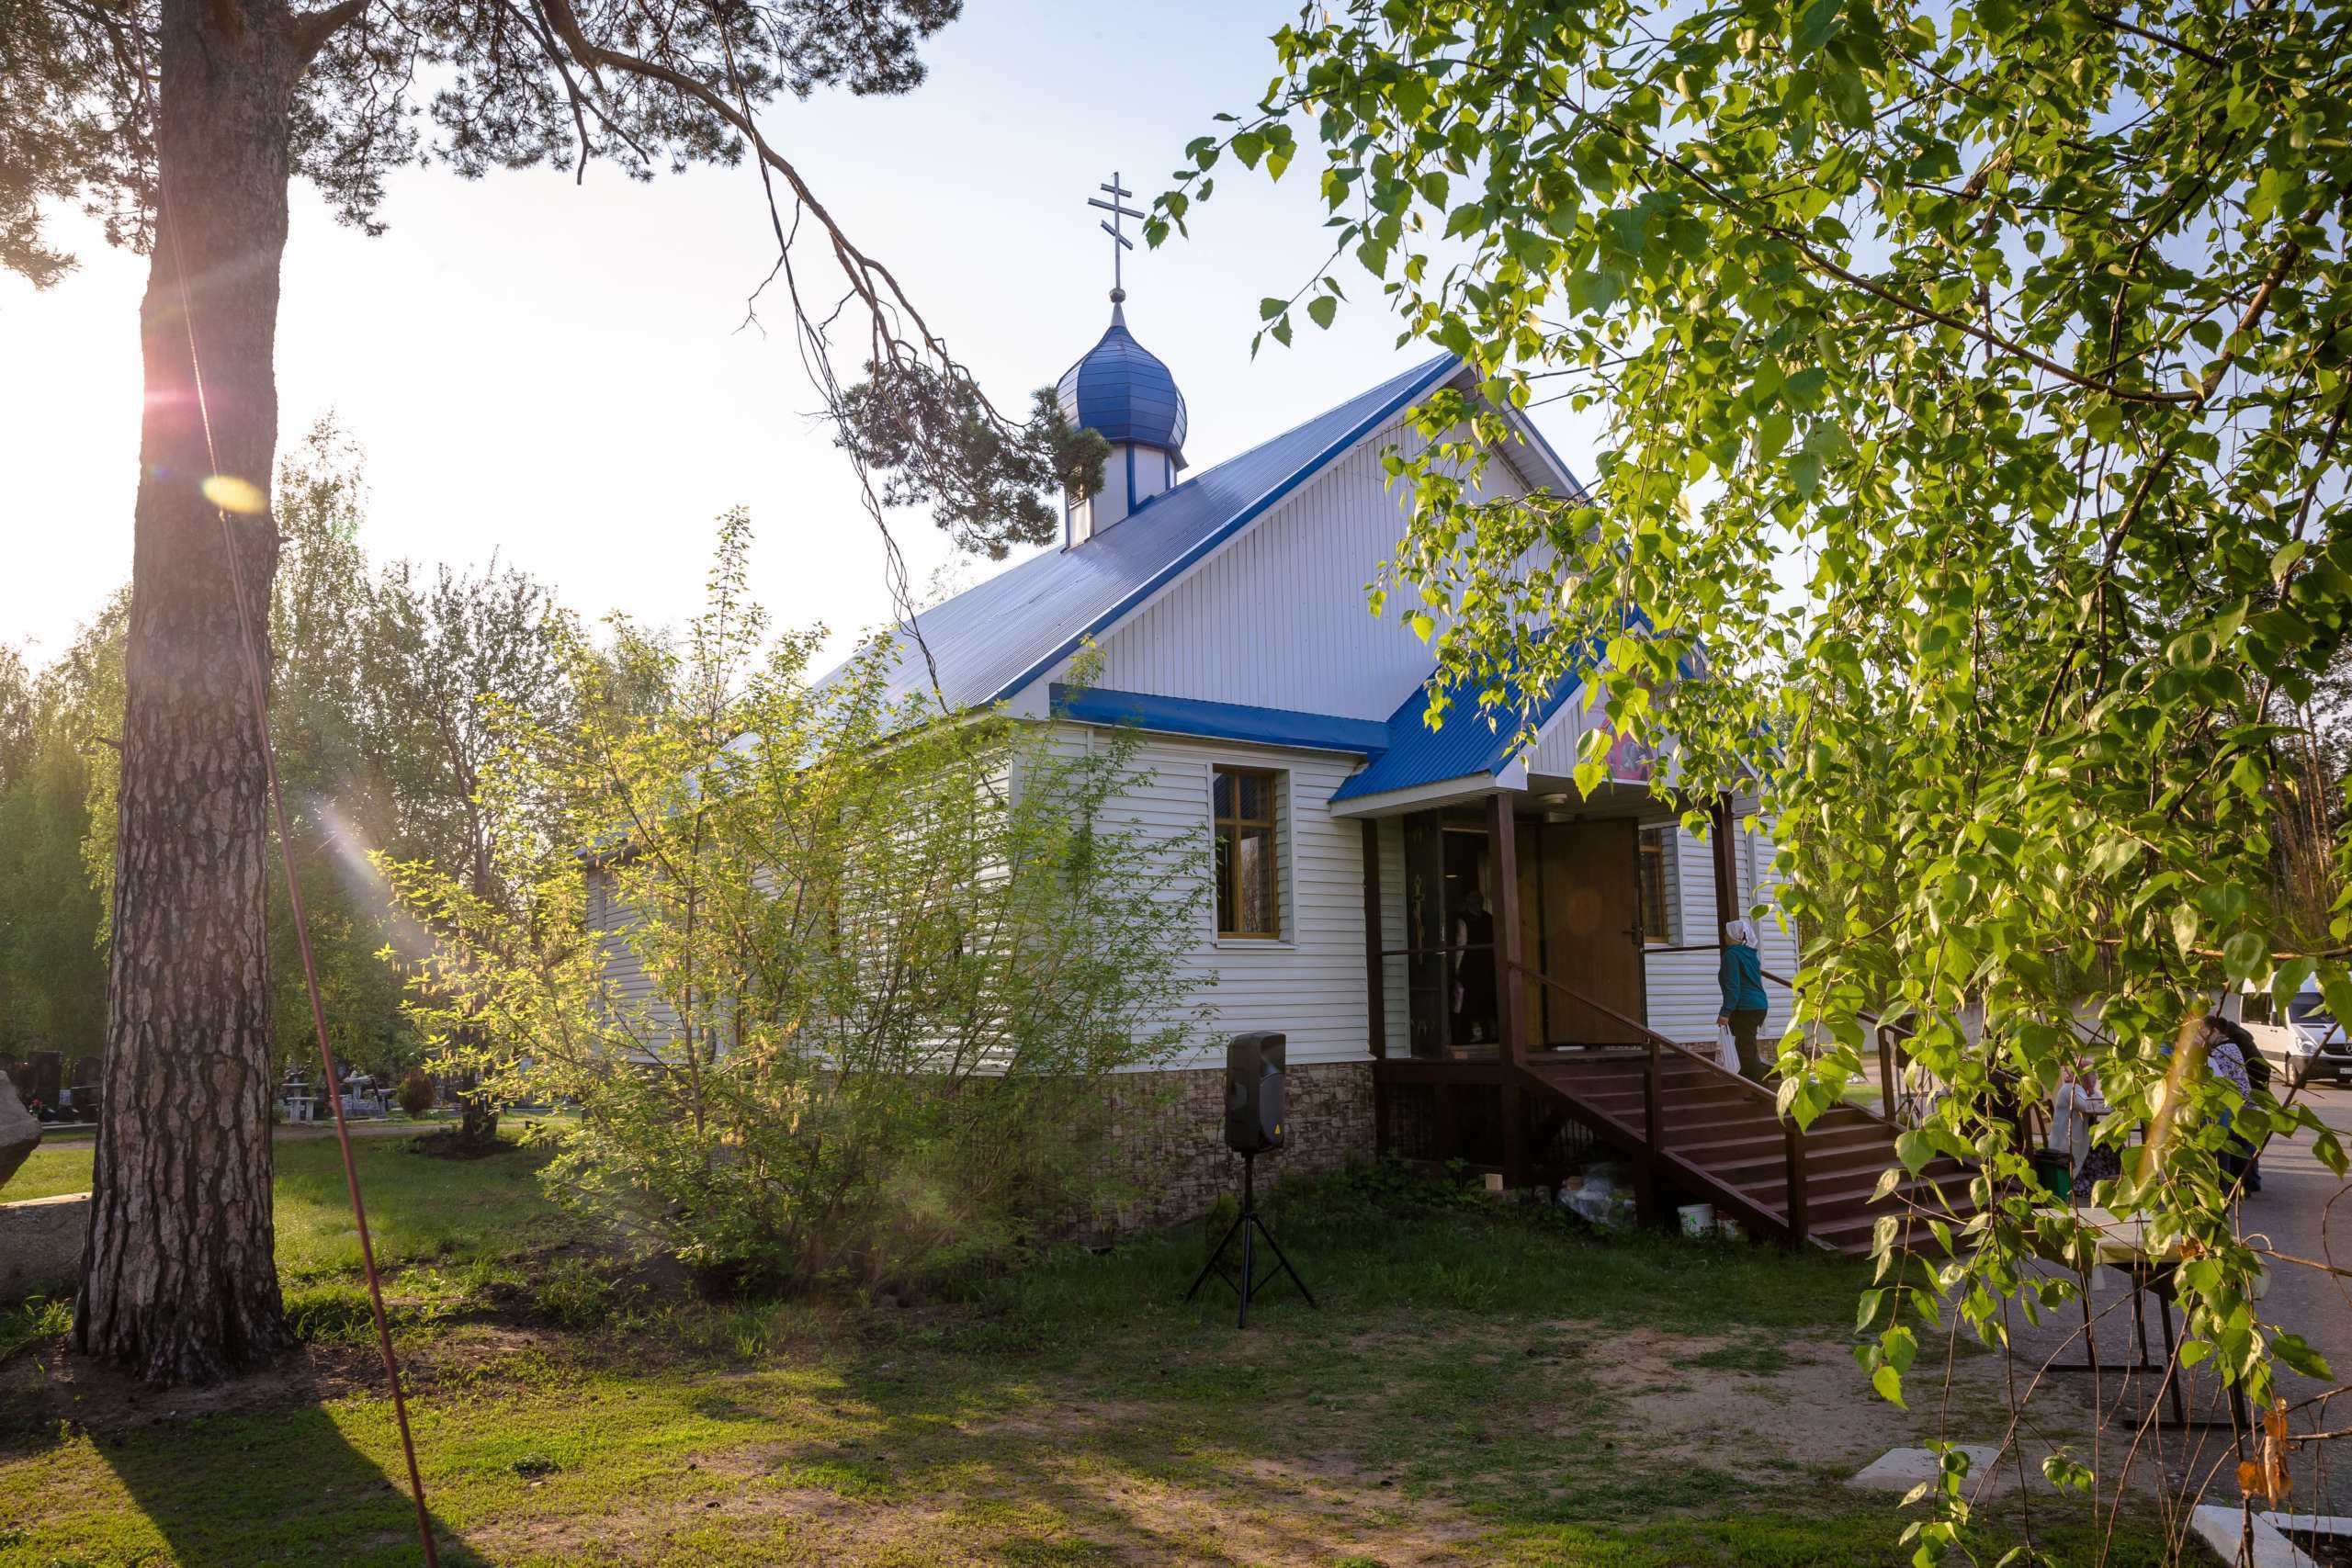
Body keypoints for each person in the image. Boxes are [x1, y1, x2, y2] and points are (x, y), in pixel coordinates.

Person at [1716, 917, 1770, 1080]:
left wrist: (1725, 1012)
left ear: (1735, 936)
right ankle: (1750, 1084)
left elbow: (1733, 986)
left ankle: (1761, 1092)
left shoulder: (1731, 955)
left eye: (1727, 934)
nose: (1725, 937)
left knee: (1746, 1051)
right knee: (1746, 1047)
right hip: (1759, 1004)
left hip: (1745, 1007)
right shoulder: (1750, 954)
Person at [1452, 891, 1498, 1047]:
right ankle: (1491, 1033)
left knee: (1470, 1000)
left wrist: (1456, 966)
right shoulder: (1490, 919)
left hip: (1470, 964)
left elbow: (1461, 943)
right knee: (1487, 998)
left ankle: (1475, 1033)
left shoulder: (1463, 920)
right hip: (1488, 964)